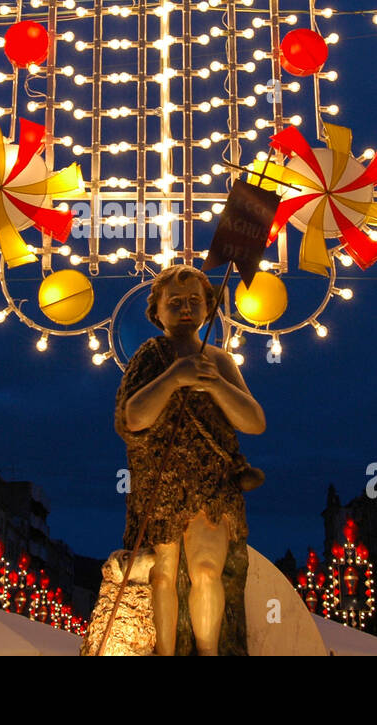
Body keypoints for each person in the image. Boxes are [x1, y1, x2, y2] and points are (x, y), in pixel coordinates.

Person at [114, 265, 267, 655]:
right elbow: (133, 417)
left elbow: (253, 422)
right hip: (161, 478)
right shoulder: (151, 355)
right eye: (175, 302)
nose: (185, 309)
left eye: (194, 301)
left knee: (205, 570)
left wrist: (215, 384)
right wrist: (174, 378)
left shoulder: (220, 360)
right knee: (162, 575)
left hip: (212, 480)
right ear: (157, 312)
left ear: (208, 308)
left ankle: (208, 650)